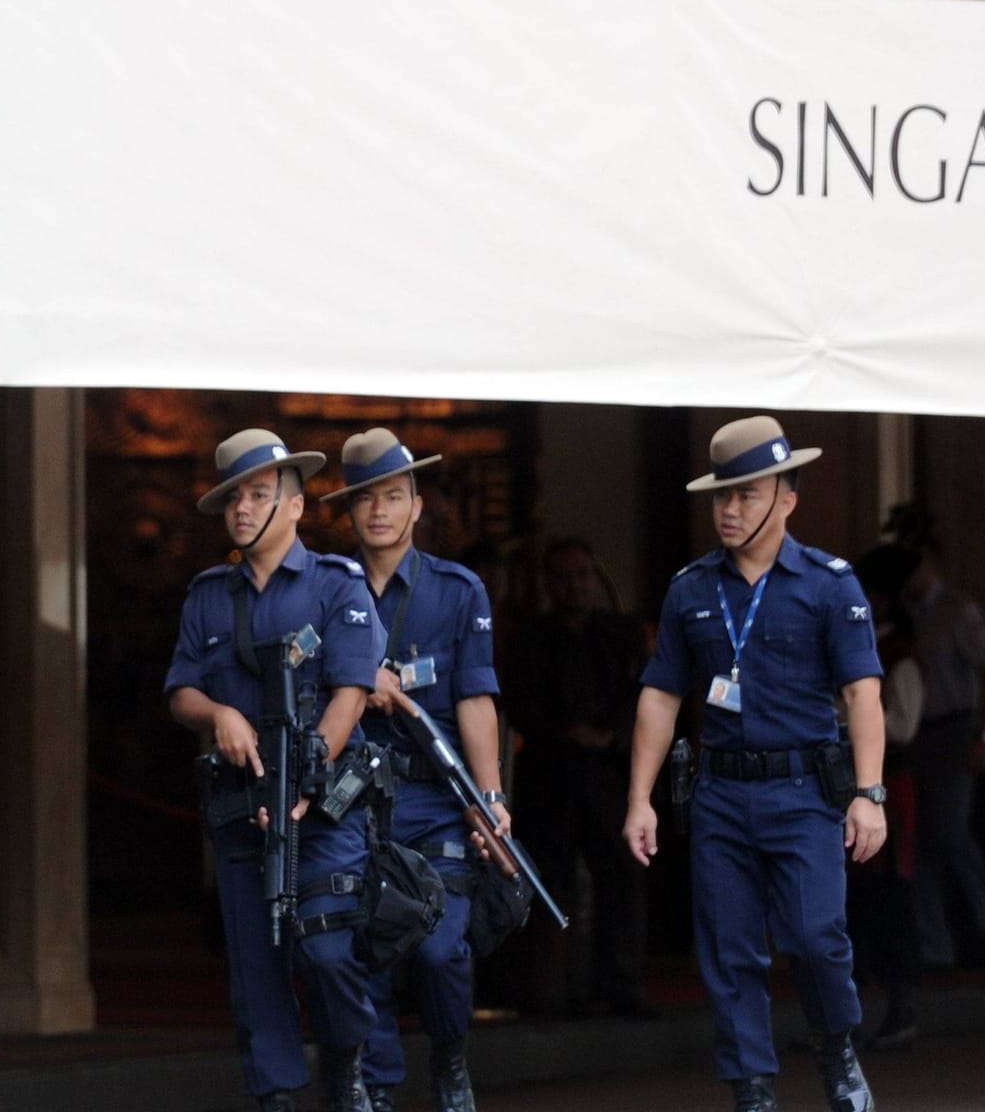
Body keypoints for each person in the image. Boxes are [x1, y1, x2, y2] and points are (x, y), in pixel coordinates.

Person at [625, 416, 884, 1112]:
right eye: (721, 497)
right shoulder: (691, 589)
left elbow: (863, 693)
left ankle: (836, 1046)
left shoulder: (830, 585)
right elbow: (660, 696)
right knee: (730, 955)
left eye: (747, 494)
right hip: (721, 795)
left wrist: (869, 793)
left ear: (786, 498)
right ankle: (753, 1091)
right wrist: (641, 799)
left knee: (814, 937)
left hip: (805, 791)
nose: (730, 510)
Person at [164, 430, 385, 1111]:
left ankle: (348, 1059)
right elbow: (180, 693)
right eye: (233, 496)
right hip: (240, 807)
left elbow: (352, 689)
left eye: (259, 493)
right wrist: (218, 715)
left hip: (321, 809)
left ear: (294, 506)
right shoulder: (208, 595)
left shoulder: (335, 586)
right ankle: (278, 1097)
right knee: (257, 973)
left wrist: (307, 772)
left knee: (327, 952)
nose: (241, 508)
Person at [319, 428, 508, 1112]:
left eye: (393, 497)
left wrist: (488, 795)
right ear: (348, 511)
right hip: (350, 799)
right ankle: (378, 1084)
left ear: (417, 507)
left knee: (438, 949)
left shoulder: (457, 592)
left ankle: (451, 1058)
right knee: (360, 945)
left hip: (434, 796)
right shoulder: (321, 589)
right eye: (365, 499)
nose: (379, 511)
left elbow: (476, 699)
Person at [508, 537, 652, 1017]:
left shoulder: (622, 634)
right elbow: (518, 703)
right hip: (550, 773)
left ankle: (621, 985)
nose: (575, 587)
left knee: (622, 875)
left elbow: (642, 696)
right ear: (550, 584)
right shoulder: (529, 639)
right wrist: (567, 732)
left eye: (583, 576)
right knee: (550, 880)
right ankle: (550, 990)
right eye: (565, 577)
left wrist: (610, 737)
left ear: (596, 578)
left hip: (609, 771)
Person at [886, 504, 985, 969]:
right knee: (919, 843)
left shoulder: (958, 610)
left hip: (955, 729)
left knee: (951, 829)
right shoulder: (903, 615)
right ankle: (935, 946)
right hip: (917, 737)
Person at [847, 543, 927, 1052]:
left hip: (887, 787)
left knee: (892, 896)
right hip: (848, 786)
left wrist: (846, 718)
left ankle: (902, 1006)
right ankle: (845, 1019)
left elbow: (903, 723)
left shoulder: (899, 654)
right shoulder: (854, 645)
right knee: (851, 902)